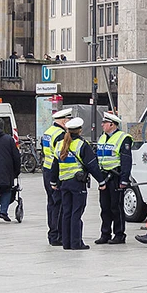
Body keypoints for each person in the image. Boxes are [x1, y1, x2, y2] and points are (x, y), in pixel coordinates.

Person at [53, 117, 105, 250]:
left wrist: (54, 181)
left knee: (66, 213)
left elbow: (54, 165)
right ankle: (76, 243)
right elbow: (92, 165)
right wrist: (101, 181)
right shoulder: (82, 145)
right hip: (77, 183)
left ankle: (66, 243)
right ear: (80, 130)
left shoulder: (59, 144)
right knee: (76, 212)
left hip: (64, 183)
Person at [95, 111, 133, 244]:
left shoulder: (123, 138)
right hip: (104, 176)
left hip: (116, 176)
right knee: (104, 207)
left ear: (112, 124)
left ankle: (119, 234)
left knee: (116, 207)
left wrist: (124, 179)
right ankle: (105, 234)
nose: (102, 125)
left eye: (104, 123)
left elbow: (126, 160)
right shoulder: (102, 138)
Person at [41, 107, 72, 246]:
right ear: (64, 121)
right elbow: (59, 155)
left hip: (46, 170)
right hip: (55, 172)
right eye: (69, 120)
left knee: (51, 203)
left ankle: (52, 233)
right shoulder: (60, 135)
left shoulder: (48, 132)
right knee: (58, 204)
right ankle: (57, 235)